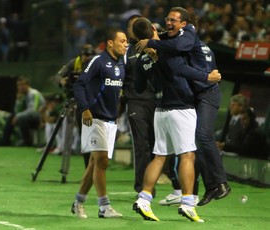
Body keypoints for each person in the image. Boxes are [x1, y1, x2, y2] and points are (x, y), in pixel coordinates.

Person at [136, 7, 231, 207]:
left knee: (202, 136)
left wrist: (152, 43)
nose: (168, 23)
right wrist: (151, 42)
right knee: (193, 145)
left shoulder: (188, 35)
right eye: (167, 19)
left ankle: (220, 183)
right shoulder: (172, 39)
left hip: (207, 92)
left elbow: (179, 62)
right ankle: (203, 189)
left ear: (184, 24)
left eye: (173, 20)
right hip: (194, 95)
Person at [70, 27, 128, 219]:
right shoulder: (97, 61)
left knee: (96, 163)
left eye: (127, 41)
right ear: (110, 43)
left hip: (110, 120)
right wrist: (85, 108)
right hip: (94, 117)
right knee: (102, 161)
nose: (125, 44)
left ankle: (78, 202)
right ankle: (104, 206)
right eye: (122, 41)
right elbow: (79, 84)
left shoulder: (121, 65)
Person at [122, 15, 156, 194]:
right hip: (136, 102)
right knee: (142, 145)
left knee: (157, 145)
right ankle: (142, 188)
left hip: (157, 101)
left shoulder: (157, 45)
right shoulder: (126, 52)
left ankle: (171, 184)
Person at [53, 43, 96, 167]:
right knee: (84, 135)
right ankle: (87, 167)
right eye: (85, 55)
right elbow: (56, 77)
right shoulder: (73, 63)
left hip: (91, 101)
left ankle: (91, 167)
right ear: (81, 55)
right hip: (75, 100)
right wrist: (62, 81)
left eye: (90, 55)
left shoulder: (97, 64)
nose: (88, 58)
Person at [0, 76, 45, 146]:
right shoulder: (24, 95)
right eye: (18, 85)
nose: (20, 87)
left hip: (40, 117)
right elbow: (16, 111)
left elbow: (33, 110)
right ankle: (5, 140)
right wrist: (18, 101)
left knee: (21, 118)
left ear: (27, 85)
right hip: (30, 117)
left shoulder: (33, 94)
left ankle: (27, 142)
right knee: (11, 116)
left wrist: (18, 116)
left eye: (22, 85)